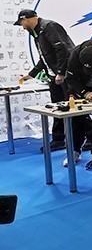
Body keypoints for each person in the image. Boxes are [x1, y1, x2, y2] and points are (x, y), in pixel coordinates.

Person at [14, 9, 76, 152]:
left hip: (67, 75)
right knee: (57, 107)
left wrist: (61, 73)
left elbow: (63, 50)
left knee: (74, 107)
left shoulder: (50, 27)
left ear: (25, 19)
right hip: (55, 76)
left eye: (21, 23)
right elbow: (45, 57)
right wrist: (31, 74)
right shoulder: (37, 33)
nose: (22, 27)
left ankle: (90, 139)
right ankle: (59, 139)